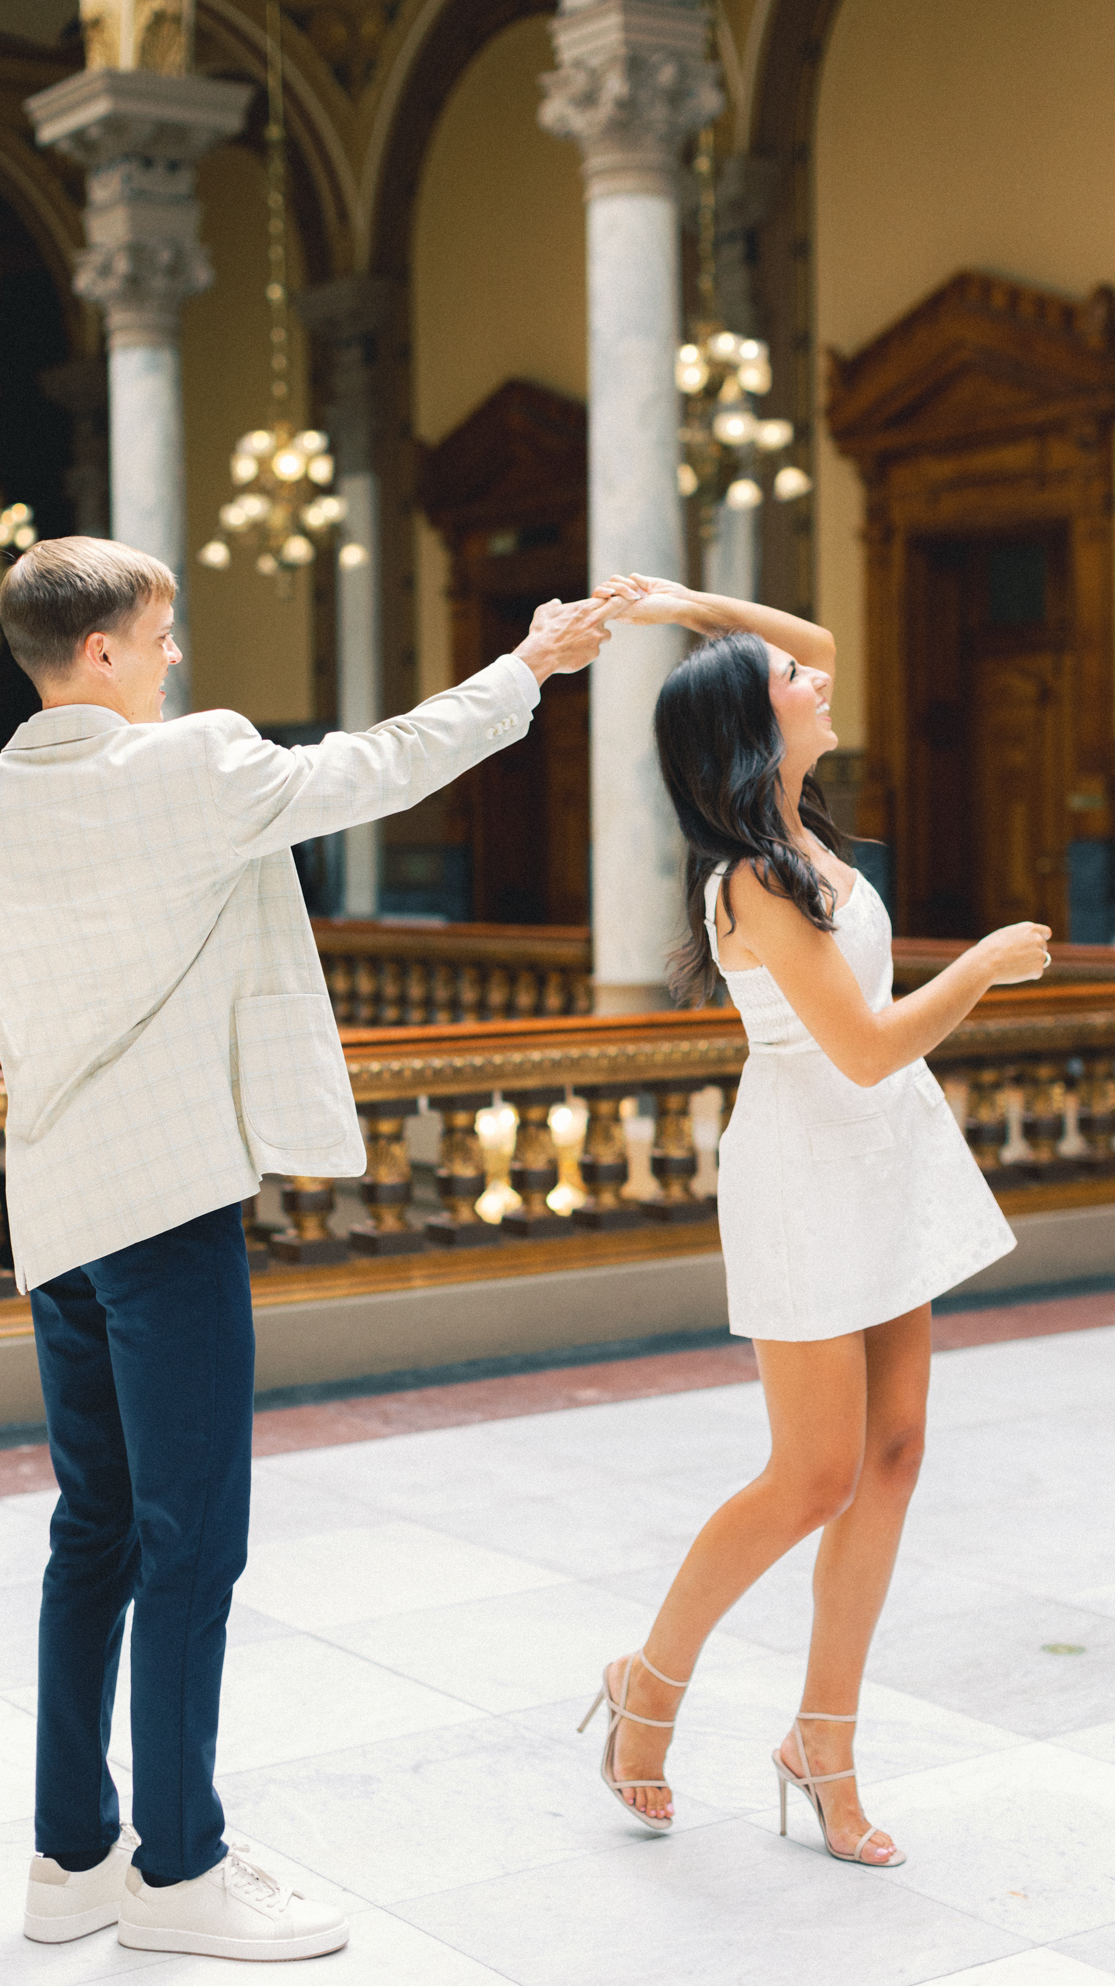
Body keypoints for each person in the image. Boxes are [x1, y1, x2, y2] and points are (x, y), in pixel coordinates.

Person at [0, 535, 610, 1960]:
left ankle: (69, 1862)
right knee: (190, 1549)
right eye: (161, 634)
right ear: (98, 651)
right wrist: (526, 666)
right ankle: (180, 1878)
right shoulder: (193, 768)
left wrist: (73, 1004)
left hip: (59, 1215)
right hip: (163, 1210)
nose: (176, 658)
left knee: (90, 1536)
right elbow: (378, 765)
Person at [579, 573, 1046, 1867]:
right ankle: (646, 1685)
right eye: (789, 686)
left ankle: (820, 1742)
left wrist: (688, 601)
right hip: (805, 1167)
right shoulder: (750, 884)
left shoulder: (804, 843)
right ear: (746, 723)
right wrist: (980, 964)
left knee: (892, 1454)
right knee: (809, 1473)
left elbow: (822, 640)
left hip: (886, 1159)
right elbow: (863, 1047)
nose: (818, 681)